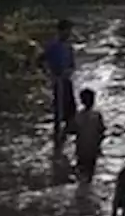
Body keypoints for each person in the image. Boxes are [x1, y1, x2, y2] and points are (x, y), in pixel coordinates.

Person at [39, 19, 77, 148]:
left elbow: (72, 64)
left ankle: (63, 138)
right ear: (61, 31)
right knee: (58, 110)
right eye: (68, 30)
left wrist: (69, 72)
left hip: (67, 81)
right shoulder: (52, 46)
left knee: (71, 110)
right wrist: (49, 74)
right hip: (57, 81)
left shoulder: (69, 46)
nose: (69, 33)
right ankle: (57, 139)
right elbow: (41, 60)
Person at [72, 88, 106, 183]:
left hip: (81, 149)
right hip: (93, 149)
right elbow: (102, 131)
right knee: (90, 171)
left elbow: (73, 130)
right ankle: (87, 185)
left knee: (81, 171)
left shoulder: (78, 115)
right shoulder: (97, 115)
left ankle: (81, 187)